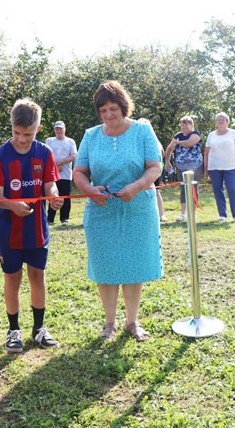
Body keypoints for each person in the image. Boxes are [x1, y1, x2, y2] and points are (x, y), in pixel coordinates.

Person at [73, 81, 163, 342]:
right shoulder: (91, 136)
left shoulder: (142, 131)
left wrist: (135, 188)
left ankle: (132, 322)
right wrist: (89, 190)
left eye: (113, 108)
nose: (108, 115)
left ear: (124, 106)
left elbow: (154, 168)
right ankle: (109, 323)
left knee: (135, 266)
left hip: (137, 209)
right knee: (107, 267)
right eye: (103, 110)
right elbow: (79, 172)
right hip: (102, 212)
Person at [0, 98, 64, 353]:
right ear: (11, 127)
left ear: (38, 129)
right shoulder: (0, 156)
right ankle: (14, 330)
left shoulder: (44, 153)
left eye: (28, 134)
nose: (21, 139)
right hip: (9, 232)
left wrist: (53, 196)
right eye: (17, 133)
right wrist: (12, 205)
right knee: (12, 279)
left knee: (37, 277)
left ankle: (39, 329)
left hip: (37, 230)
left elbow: (50, 184)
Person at [204, 112, 235, 222]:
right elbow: (206, 153)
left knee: (232, 189)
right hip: (214, 168)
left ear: (227, 122)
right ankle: (222, 215)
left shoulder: (233, 133)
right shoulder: (211, 135)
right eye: (218, 119)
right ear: (216, 122)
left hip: (230, 167)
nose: (220, 121)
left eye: (223, 119)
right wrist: (206, 170)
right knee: (218, 190)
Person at [165, 116, 203, 221]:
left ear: (191, 125)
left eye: (186, 124)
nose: (184, 127)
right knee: (183, 189)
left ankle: (193, 213)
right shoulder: (177, 136)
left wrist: (179, 143)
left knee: (193, 188)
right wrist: (167, 162)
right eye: (182, 125)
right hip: (181, 166)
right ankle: (183, 213)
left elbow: (189, 143)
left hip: (195, 166)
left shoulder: (196, 134)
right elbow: (169, 148)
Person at [45, 120, 77, 223]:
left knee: (65, 196)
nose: (58, 131)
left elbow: (73, 156)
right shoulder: (49, 141)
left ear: (64, 129)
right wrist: (54, 167)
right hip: (52, 174)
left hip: (66, 174)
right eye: (56, 129)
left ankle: (64, 218)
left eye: (60, 128)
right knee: (53, 195)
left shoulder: (70, 141)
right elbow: (46, 155)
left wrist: (62, 162)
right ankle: (50, 218)